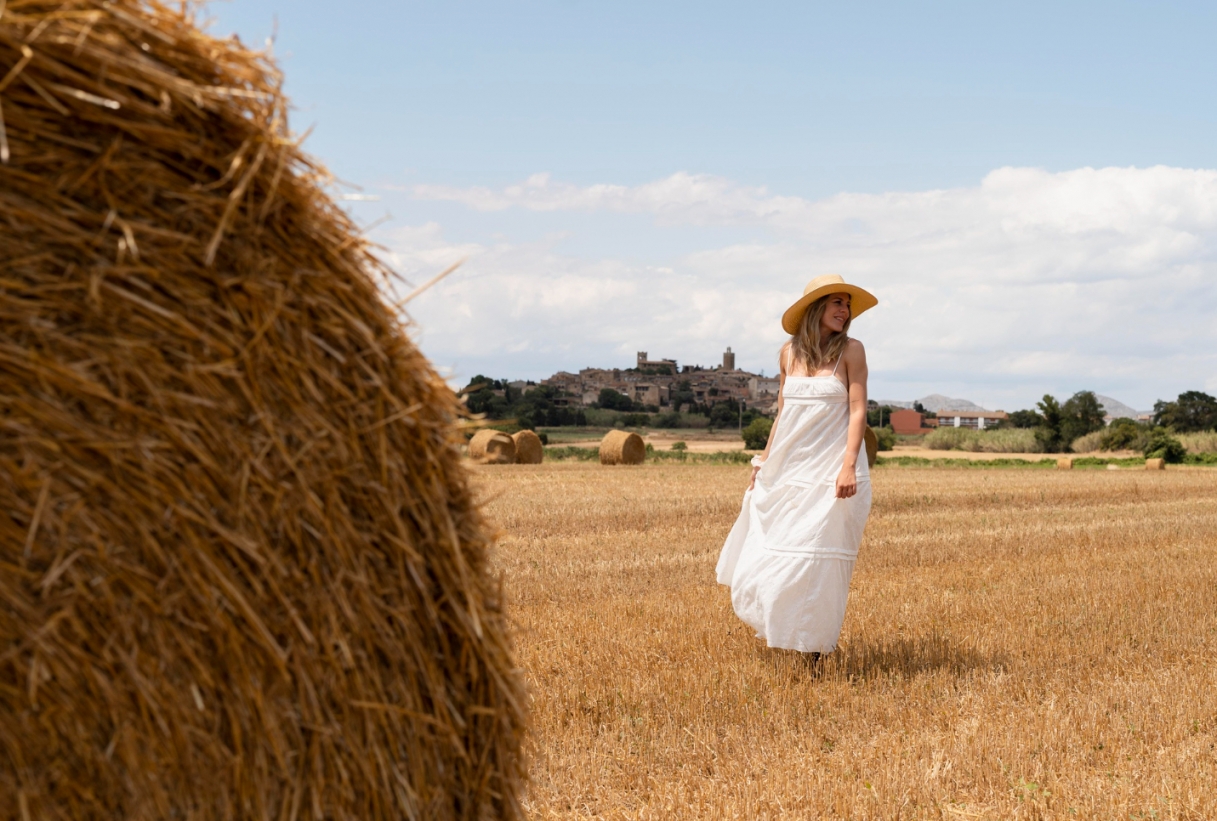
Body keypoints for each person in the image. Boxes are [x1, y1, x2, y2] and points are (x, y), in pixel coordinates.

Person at [716, 273, 876, 656]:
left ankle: (815, 652)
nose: (845, 310)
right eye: (837, 302)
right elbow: (783, 414)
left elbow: (858, 412)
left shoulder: (852, 350)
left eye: (847, 303)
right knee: (770, 554)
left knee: (817, 564)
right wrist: (764, 460)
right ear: (815, 308)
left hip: (832, 471)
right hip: (790, 469)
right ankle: (787, 633)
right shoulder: (788, 354)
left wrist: (848, 466)